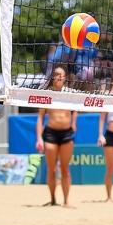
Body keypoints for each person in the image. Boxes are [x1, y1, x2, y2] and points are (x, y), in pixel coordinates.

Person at [35, 65, 77, 207]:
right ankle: (53, 199)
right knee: (51, 168)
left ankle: (66, 201)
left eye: (61, 74)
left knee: (65, 168)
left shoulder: (70, 92)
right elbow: (40, 117)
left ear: (65, 77)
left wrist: (73, 123)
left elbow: (76, 109)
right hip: (51, 133)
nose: (59, 76)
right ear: (53, 77)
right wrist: (39, 138)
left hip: (66, 134)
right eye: (56, 74)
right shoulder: (46, 93)